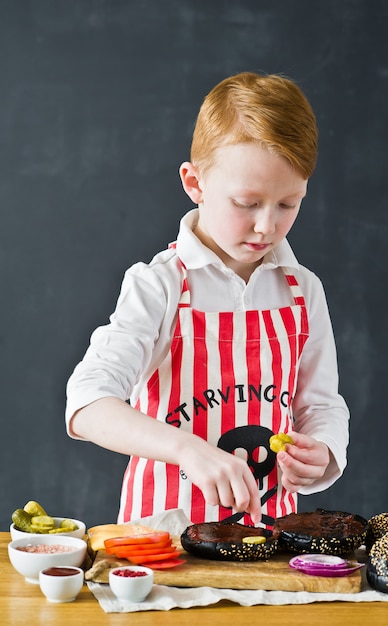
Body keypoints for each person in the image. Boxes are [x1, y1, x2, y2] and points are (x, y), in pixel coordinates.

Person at [66, 71, 349, 528]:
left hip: (270, 541)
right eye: (246, 203)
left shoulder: (303, 291)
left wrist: (324, 448)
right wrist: (187, 449)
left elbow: (320, 405)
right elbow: (86, 403)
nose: (266, 226)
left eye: (287, 204)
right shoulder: (160, 284)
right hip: (162, 543)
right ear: (195, 184)